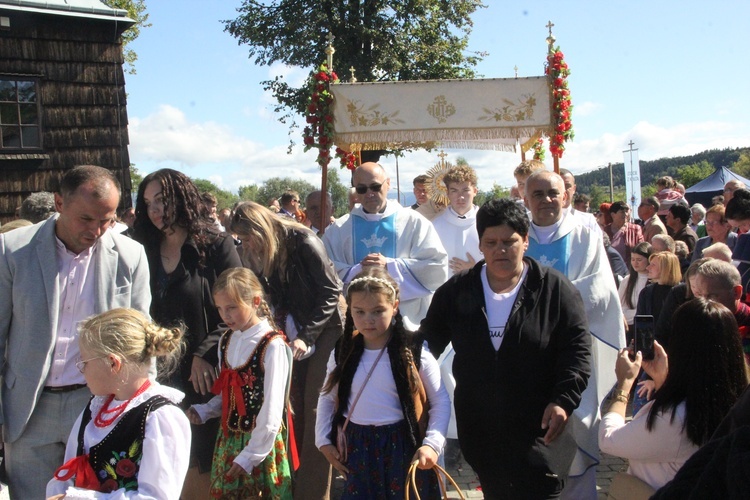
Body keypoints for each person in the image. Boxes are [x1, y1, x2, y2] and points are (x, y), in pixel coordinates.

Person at [421, 198, 592, 498]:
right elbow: (426, 344)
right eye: (491, 242)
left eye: (509, 241)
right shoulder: (457, 291)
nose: (500, 250)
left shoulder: (555, 290)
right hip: (482, 436)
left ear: (525, 241)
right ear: (481, 244)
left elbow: (576, 353)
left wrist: (564, 400)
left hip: (540, 436)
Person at [0, 165, 151, 499]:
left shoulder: (130, 255)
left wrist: (143, 411)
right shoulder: (11, 250)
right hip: (27, 410)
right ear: (59, 202)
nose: (97, 230)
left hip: (97, 406)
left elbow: (141, 341)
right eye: (86, 219)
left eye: (107, 220)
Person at [132, 168, 242, 498]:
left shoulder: (215, 244)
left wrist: (204, 353)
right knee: (156, 455)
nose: (155, 210)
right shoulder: (137, 245)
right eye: (148, 202)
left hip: (203, 371)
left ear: (183, 198)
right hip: (150, 369)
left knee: (200, 458)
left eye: (162, 200)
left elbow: (240, 306)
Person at [521, 171, 625, 499]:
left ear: (565, 196)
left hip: (571, 352)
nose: (546, 200)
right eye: (537, 194)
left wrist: (542, 303)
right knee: (529, 440)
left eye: (553, 193)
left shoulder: (585, 234)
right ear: (525, 199)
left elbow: (599, 291)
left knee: (574, 443)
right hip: (526, 353)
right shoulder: (516, 232)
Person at [231, 201, 342, 500]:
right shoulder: (258, 252)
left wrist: (307, 336)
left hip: (325, 328)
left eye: (247, 236)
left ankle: (314, 493)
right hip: (292, 330)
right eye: (240, 239)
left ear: (260, 229)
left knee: (315, 406)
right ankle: (292, 485)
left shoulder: (304, 241)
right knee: (291, 407)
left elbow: (331, 290)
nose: (245, 244)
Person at [317, 267, 451, 499]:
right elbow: (327, 396)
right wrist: (323, 441)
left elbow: (440, 400)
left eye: (378, 311)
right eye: (359, 311)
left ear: (395, 306)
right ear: (350, 309)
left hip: (403, 447)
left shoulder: (414, 350)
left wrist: (432, 444)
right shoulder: (343, 350)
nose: (368, 320)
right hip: (357, 449)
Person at [599, 298, 748, 490]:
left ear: (681, 347)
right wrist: (663, 381)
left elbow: (609, 440)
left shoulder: (676, 418)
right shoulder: (736, 403)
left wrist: (624, 385)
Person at [46, 308, 191, 498]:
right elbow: (67, 474)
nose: (81, 370)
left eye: (85, 362)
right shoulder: (95, 409)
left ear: (113, 363)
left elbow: (156, 497)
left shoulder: (159, 417)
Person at [187, 268, 293, 498]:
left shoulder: (272, 345)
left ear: (255, 301)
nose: (225, 316)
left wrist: (251, 455)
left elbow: (272, 408)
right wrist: (205, 411)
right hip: (228, 440)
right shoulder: (226, 340)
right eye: (220, 309)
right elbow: (229, 394)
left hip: (259, 446)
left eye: (232, 307)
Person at [323, 162, 448, 328]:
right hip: (357, 325)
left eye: (375, 187)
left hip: (405, 322)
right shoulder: (339, 229)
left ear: (388, 184)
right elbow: (324, 270)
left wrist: (390, 266)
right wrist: (358, 270)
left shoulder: (413, 222)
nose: (369, 194)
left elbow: (437, 268)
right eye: (362, 189)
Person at [689, 259, 750, 363]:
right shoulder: (694, 322)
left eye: (711, 296)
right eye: (699, 295)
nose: (704, 303)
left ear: (736, 292)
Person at [431, 164, 482, 276]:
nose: (460, 197)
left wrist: (476, 269)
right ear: (447, 193)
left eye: (465, 190)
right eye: (454, 191)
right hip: (446, 289)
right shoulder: (435, 225)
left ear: (475, 191)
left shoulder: (487, 222)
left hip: (479, 288)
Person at [619, 242, 653, 341]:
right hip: (629, 329)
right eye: (633, 259)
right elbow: (620, 308)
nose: (635, 263)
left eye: (639, 260)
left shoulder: (653, 282)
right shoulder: (627, 280)